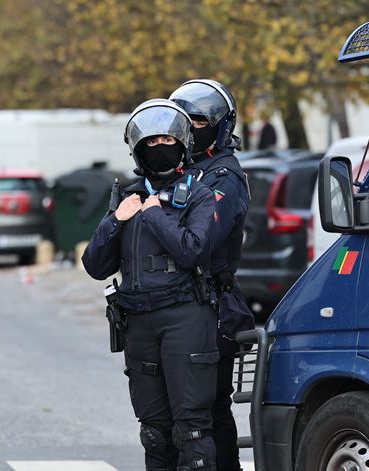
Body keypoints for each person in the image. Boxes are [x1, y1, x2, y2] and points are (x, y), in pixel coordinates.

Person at [82, 99, 219, 471]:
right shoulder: (126, 196)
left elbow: (193, 251)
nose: (159, 149)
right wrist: (115, 220)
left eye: (167, 141)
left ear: (182, 144)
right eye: (151, 143)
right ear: (138, 149)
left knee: (191, 432)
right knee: (154, 432)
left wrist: (156, 213)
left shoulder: (198, 195)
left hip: (185, 320)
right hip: (139, 322)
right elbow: (94, 265)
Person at [169, 80, 253, 471]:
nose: (192, 126)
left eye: (200, 120)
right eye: (186, 119)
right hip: (177, 303)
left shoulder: (224, 176)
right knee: (177, 412)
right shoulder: (180, 170)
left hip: (212, 303)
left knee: (209, 409)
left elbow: (199, 242)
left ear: (219, 125)